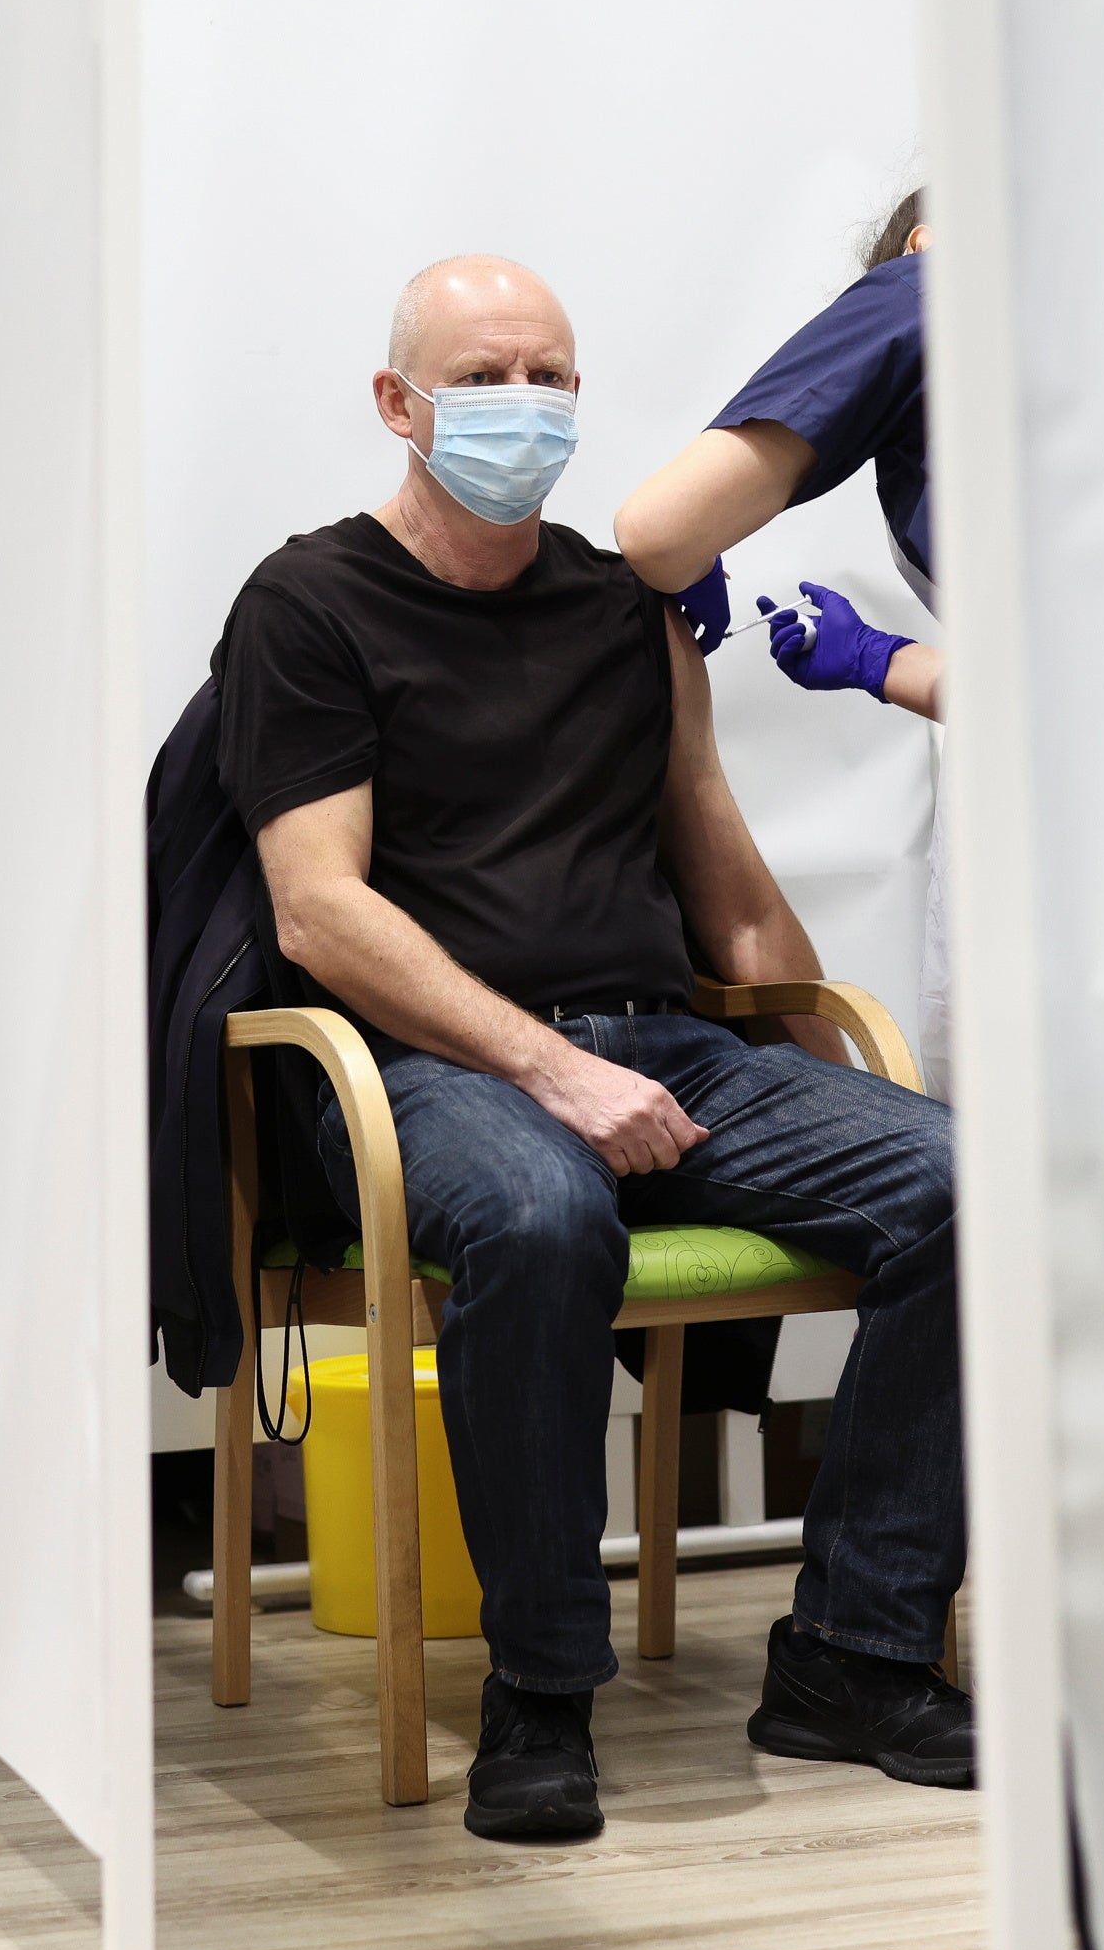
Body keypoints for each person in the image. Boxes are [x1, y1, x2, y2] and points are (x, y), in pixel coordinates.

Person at [217, 253, 970, 1843]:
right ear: (397, 404)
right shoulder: (311, 604)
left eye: (552, 377)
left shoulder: (623, 610)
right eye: (487, 377)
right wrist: (549, 1074)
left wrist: (838, 1089)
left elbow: (728, 886)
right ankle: (541, 1688)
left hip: (664, 1050)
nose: (527, 408)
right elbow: (318, 915)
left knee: (969, 1187)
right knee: (542, 1216)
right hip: (430, 1065)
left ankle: (852, 1650)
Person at [613, 191, 941, 720]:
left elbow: (655, 532)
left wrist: (687, 560)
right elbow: (1065, 696)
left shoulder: (926, 283)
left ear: (920, 243)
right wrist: (878, 661)